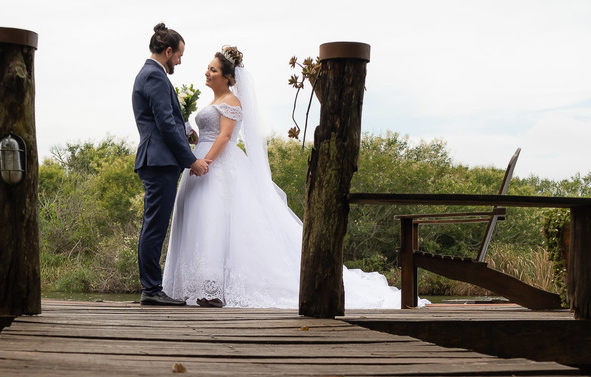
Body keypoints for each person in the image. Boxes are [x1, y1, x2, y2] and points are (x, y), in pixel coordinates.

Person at [162, 46, 406, 309]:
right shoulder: (213, 102)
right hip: (201, 159)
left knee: (214, 219)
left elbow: (224, 136)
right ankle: (198, 284)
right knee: (200, 219)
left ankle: (213, 289)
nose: (207, 73)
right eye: (208, 68)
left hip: (217, 165)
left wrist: (206, 161)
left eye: (213, 69)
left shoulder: (232, 102)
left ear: (228, 77)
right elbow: (211, 132)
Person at [132, 23, 209, 306]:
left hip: (160, 160)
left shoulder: (152, 75)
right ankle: (151, 290)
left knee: (155, 223)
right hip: (159, 161)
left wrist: (186, 130)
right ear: (167, 51)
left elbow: (169, 120)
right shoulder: (154, 76)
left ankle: (151, 287)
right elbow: (164, 124)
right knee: (155, 225)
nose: (179, 61)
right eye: (178, 55)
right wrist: (191, 161)